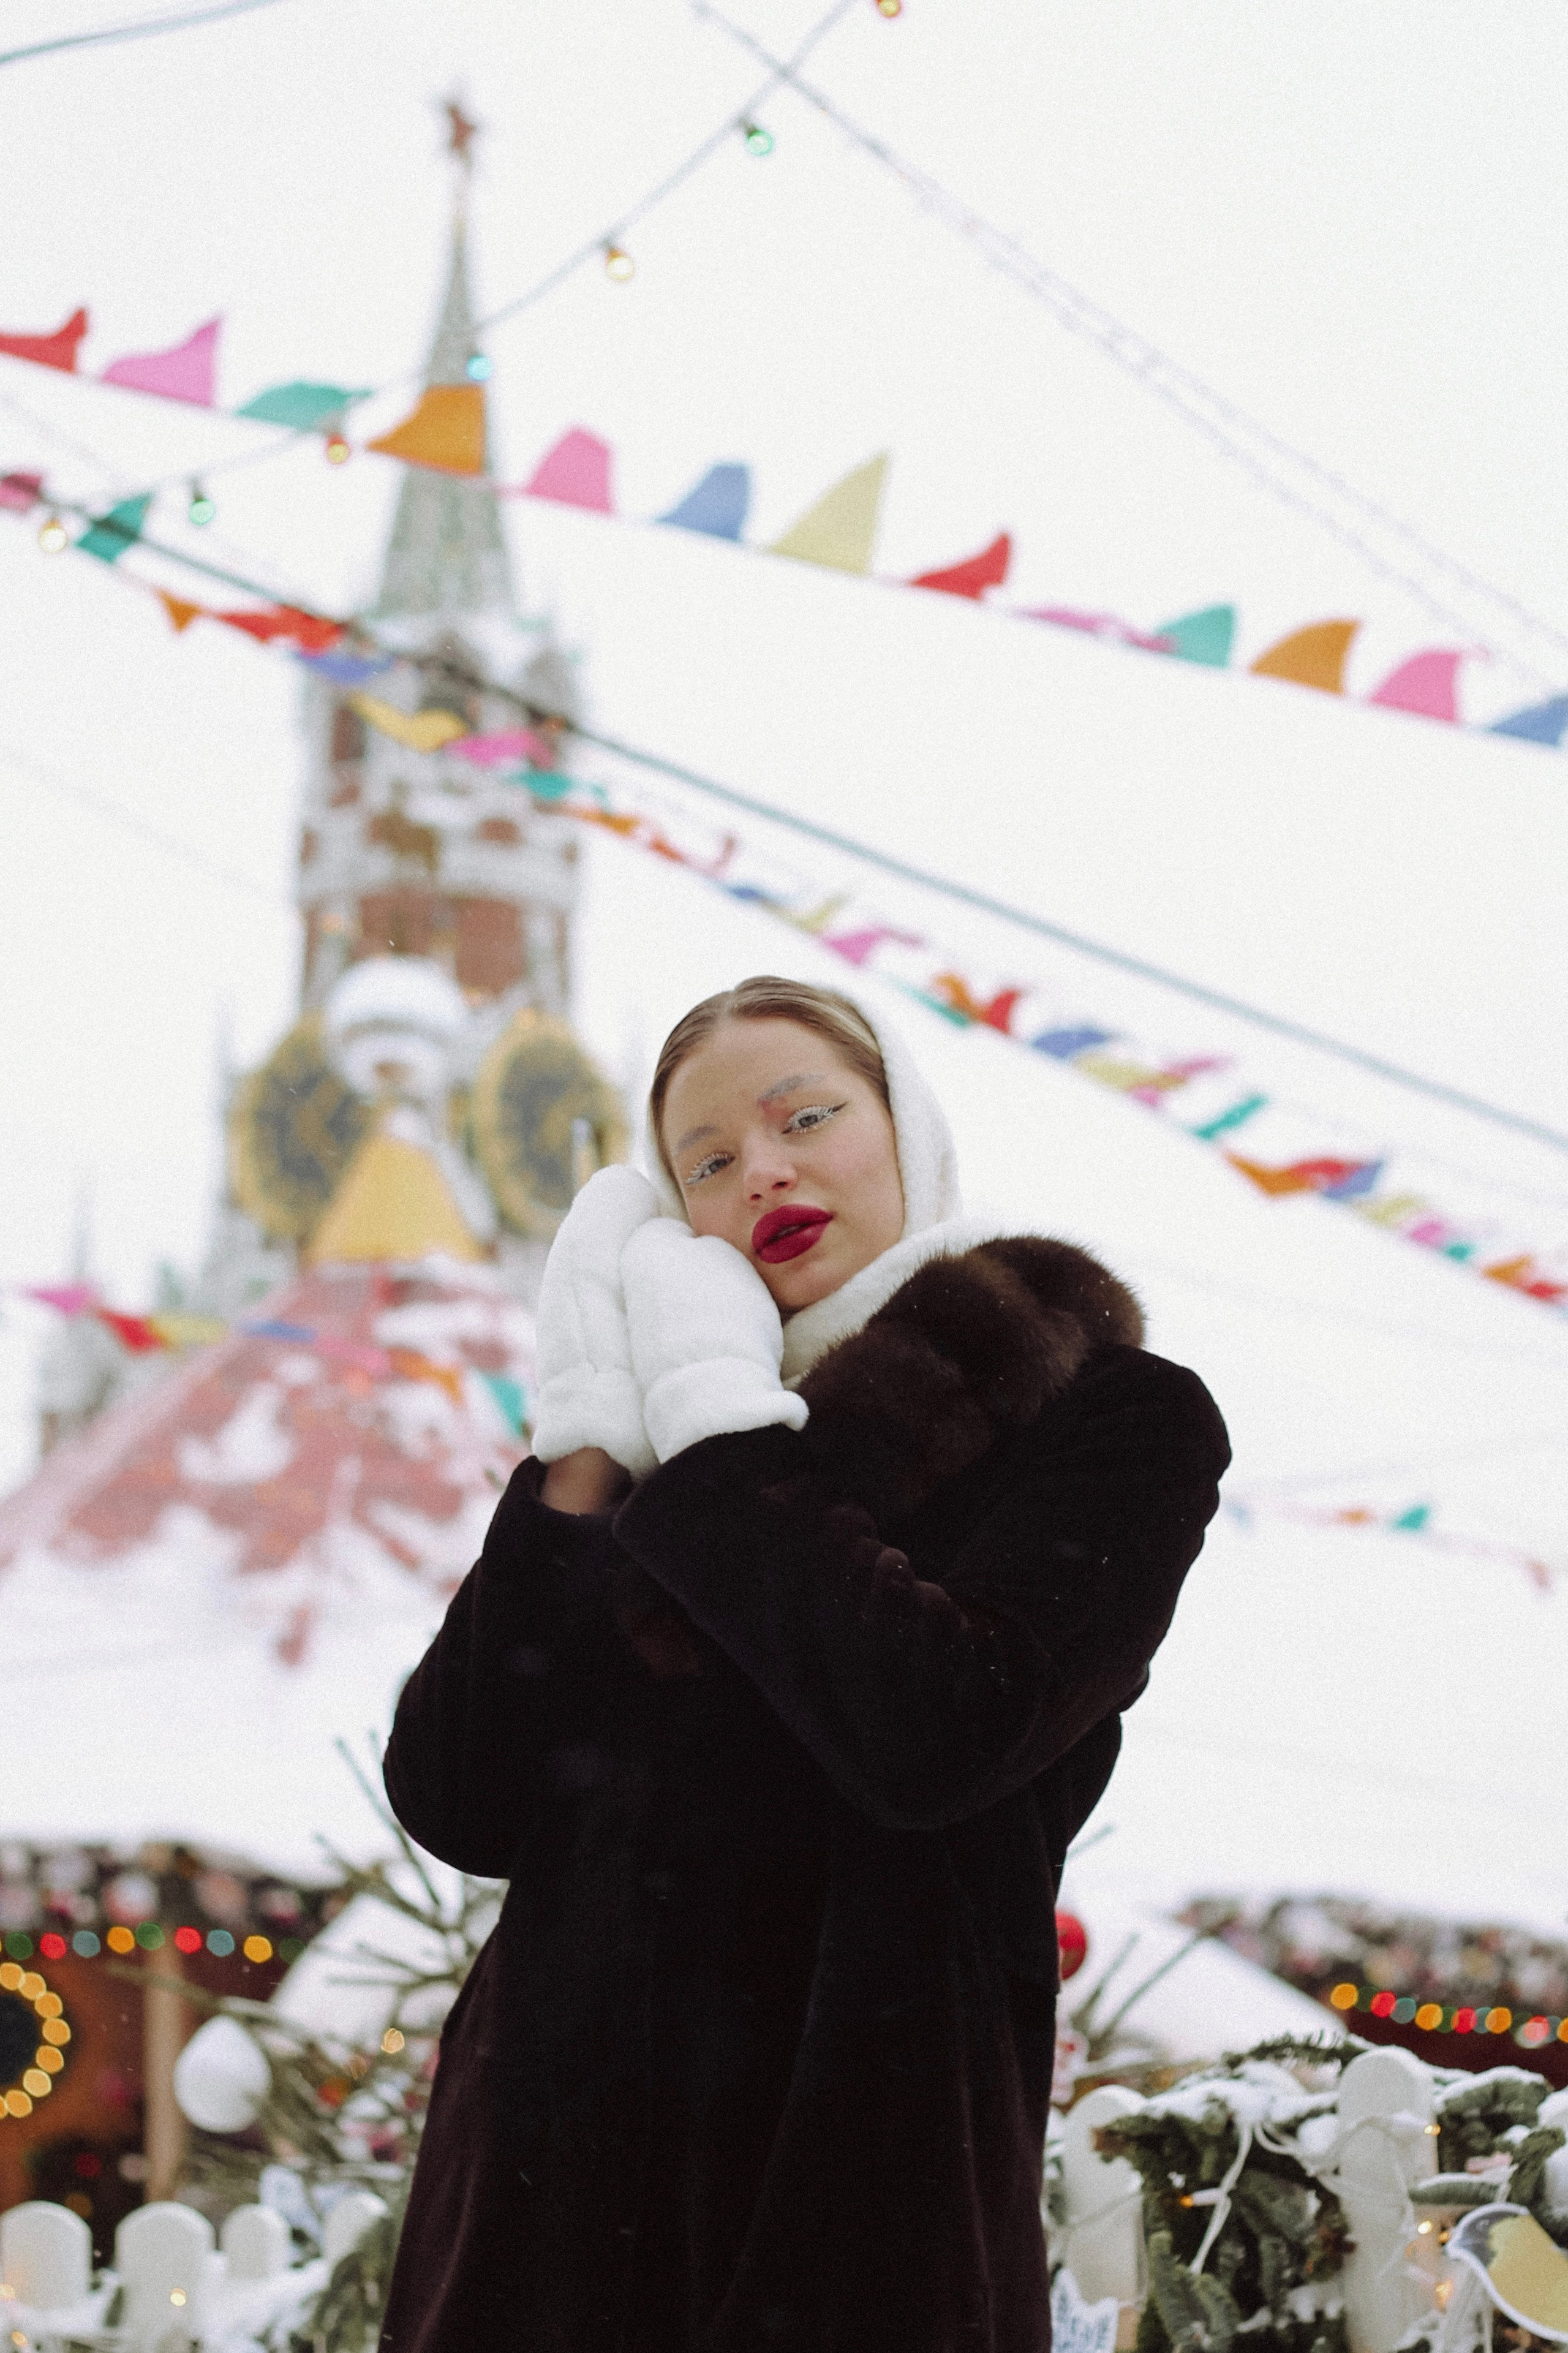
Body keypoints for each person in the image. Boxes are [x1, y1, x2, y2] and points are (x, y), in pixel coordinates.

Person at [379, 975, 1229, 2353]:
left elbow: (941, 1729)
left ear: (905, 1126)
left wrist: (726, 1440)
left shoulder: (1106, 1415)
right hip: (537, 2214)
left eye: (805, 1115)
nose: (759, 1168)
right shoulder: (646, 1469)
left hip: (856, 2182)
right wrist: (589, 1448)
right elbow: (457, 1795)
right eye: (704, 1161)